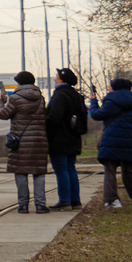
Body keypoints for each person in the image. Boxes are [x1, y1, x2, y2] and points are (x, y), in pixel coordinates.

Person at [89, 77, 132, 209]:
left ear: (115, 87)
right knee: (129, 169)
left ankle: (112, 200)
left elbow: (97, 115)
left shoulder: (111, 100)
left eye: (110, 86)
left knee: (110, 169)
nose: (109, 88)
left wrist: (93, 102)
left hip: (112, 138)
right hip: (128, 138)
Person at [0, 71, 49, 213]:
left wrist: (0, 101)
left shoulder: (15, 98)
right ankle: (40, 205)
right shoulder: (40, 98)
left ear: (19, 83)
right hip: (39, 140)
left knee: (21, 172)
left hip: (21, 141)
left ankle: (23, 205)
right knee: (39, 172)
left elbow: (3, 114)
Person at [44, 68, 88, 211]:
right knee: (70, 168)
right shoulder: (76, 95)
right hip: (73, 137)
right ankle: (75, 200)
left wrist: (45, 126)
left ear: (61, 79)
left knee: (61, 169)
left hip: (59, 138)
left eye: (56, 76)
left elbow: (54, 117)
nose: (54, 79)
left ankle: (64, 200)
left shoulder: (60, 95)